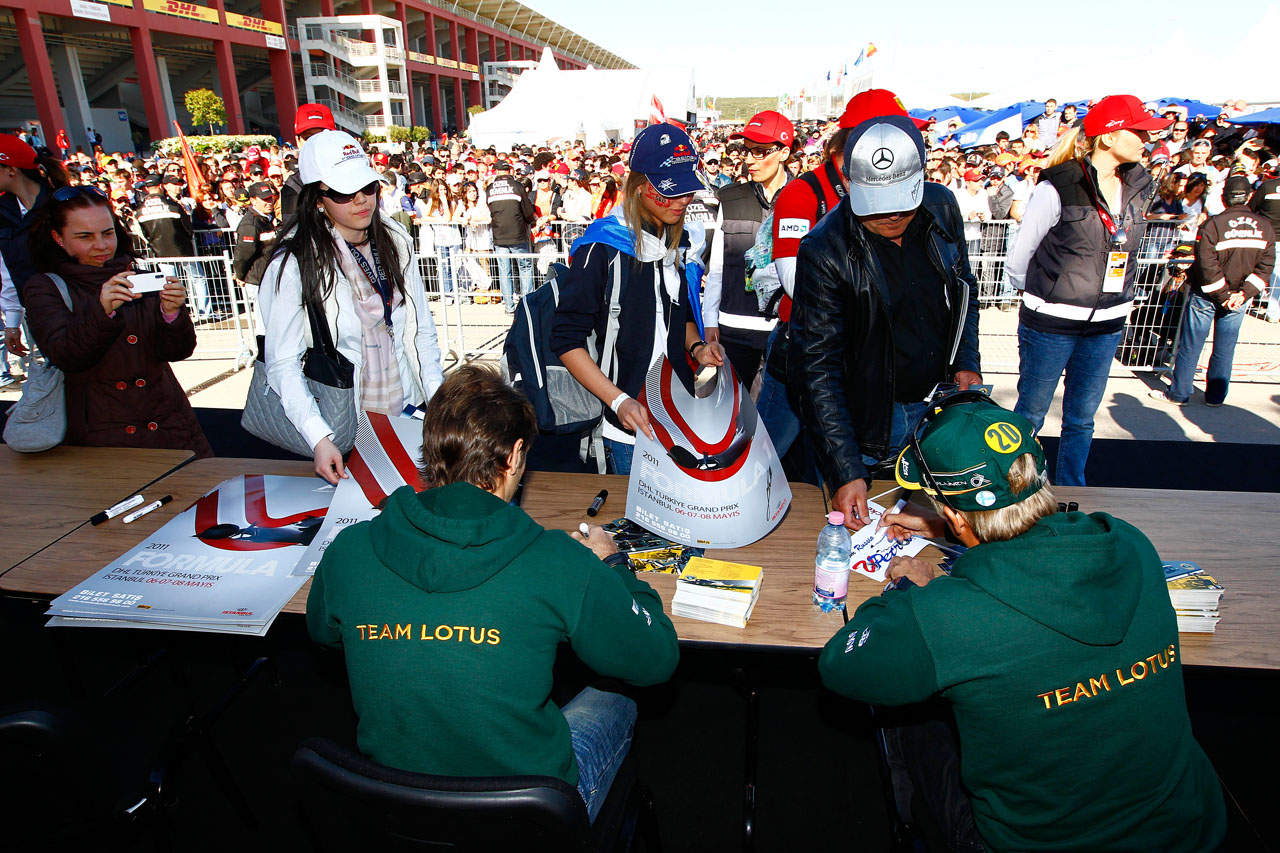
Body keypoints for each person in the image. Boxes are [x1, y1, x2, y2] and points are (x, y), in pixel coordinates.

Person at [818, 394, 1226, 852]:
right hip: (1188, 828)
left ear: (954, 514)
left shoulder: (948, 615)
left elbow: (839, 665)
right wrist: (958, 528)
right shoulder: (1131, 543)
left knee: (909, 710)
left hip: (1033, 844)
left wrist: (911, 591)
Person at [306, 363, 679, 822]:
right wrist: (612, 564)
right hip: (528, 814)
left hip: (392, 804)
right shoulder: (560, 562)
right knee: (616, 691)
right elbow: (657, 658)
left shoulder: (349, 550)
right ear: (515, 454)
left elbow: (323, 634)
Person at [789, 113, 981, 530]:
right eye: (878, 207)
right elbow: (817, 368)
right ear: (850, 185)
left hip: (941, 405)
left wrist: (966, 359)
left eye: (903, 201)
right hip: (870, 423)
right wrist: (846, 468)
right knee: (867, 542)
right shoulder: (824, 249)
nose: (893, 216)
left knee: (949, 535)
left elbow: (965, 288)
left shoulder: (943, 209)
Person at [260, 130, 444, 484]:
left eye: (369, 187)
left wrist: (437, 403)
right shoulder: (296, 263)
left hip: (407, 408)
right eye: (345, 192)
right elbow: (283, 362)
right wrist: (318, 436)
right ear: (318, 199)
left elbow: (420, 332)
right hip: (341, 421)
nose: (361, 200)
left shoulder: (396, 241)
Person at [1005, 94, 1168, 486]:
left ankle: (1074, 490)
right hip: (1051, 324)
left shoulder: (1139, 185)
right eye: (1139, 131)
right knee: (1030, 415)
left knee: (1081, 418)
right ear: (1109, 138)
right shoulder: (1058, 184)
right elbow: (1019, 257)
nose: (1147, 140)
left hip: (1108, 322)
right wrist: (1049, 296)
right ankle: (1019, 492)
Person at [550, 123, 724, 475]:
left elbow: (680, 315)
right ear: (641, 188)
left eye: (688, 191)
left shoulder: (680, 242)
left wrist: (696, 349)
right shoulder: (602, 248)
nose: (683, 201)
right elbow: (565, 340)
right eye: (671, 192)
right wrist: (619, 400)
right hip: (628, 428)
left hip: (680, 418)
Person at [22, 186, 212, 456]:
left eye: (107, 233)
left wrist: (171, 313)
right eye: (85, 236)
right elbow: (66, 355)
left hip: (171, 427)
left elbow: (177, 351)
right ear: (58, 238)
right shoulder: (45, 287)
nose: (101, 245)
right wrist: (102, 312)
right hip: (103, 435)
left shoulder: (138, 275)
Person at [1153, 175, 1274, 407]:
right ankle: (1216, 397)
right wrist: (1242, 294)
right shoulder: (1265, 227)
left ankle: (1179, 394)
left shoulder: (1213, 224)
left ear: (1223, 197)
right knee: (1225, 349)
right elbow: (1266, 266)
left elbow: (1206, 265)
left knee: (1191, 345)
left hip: (1207, 295)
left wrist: (1224, 295)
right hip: (1237, 298)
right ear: (1249, 197)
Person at [704, 110, 794, 389]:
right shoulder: (729, 198)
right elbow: (716, 267)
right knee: (731, 418)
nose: (750, 159)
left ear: (784, 152)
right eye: (747, 150)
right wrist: (710, 321)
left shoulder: (804, 198)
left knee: (780, 424)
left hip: (786, 331)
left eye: (760, 151)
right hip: (733, 330)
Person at [0, 134, 72, 382]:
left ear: (11, 169)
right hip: (37, 315)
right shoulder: (2, 212)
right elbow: (7, 271)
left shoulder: (64, 203)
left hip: (79, 310)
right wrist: (12, 322)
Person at [486, 160, 536, 312]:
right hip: (518, 233)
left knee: (504, 270)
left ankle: (508, 306)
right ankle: (528, 303)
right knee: (525, 267)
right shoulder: (517, 186)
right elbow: (527, 211)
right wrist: (530, 221)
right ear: (509, 171)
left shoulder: (490, 188)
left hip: (499, 234)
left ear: (496, 171)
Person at [280, 103, 336, 219]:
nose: (314, 143)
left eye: (321, 136)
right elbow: (292, 233)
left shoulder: (351, 173)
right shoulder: (293, 186)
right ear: (298, 141)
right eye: (308, 137)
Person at [232, 181, 280, 308]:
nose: (269, 202)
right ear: (253, 201)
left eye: (270, 198)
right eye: (264, 199)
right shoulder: (250, 223)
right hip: (258, 280)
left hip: (268, 277)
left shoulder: (267, 219)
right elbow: (244, 253)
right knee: (263, 324)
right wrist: (240, 275)